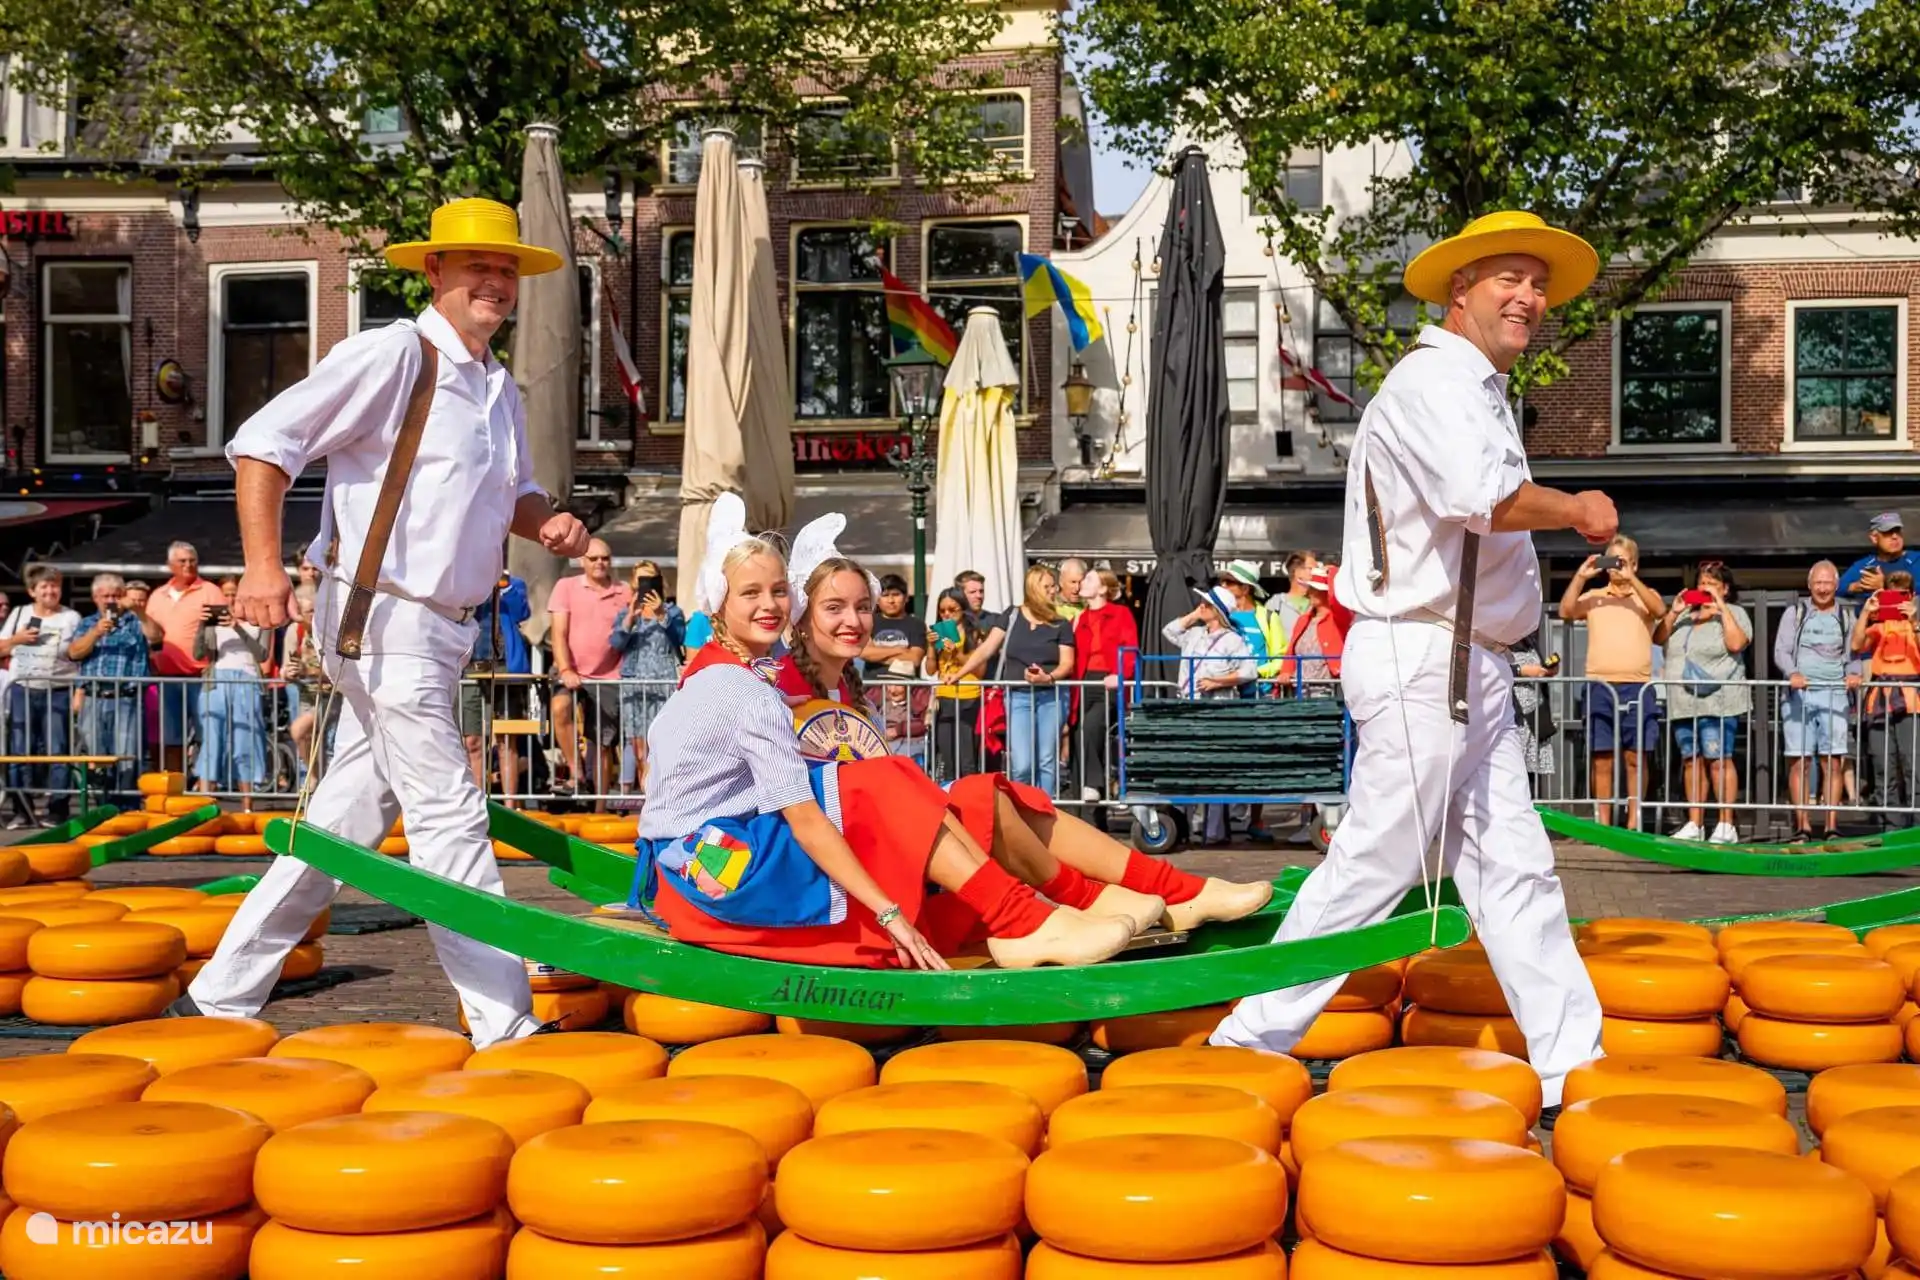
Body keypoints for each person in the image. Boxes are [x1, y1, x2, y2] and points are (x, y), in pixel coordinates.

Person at [1211, 210, 1616, 1112]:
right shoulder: (1437, 380)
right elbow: (1483, 499)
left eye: (1538, 283)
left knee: (1513, 864)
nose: (1529, 298)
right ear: (1459, 290)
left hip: (1465, 660)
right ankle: (1246, 1038)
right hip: (1424, 652)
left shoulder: (1472, 390)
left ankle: (1571, 1063)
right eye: (1509, 279)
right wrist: (1579, 507)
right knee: (1377, 859)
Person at [175, 197, 591, 1044]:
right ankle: (506, 1025)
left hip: (443, 627)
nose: (497, 282)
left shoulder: (498, 386)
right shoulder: (393, 354)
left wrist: (544, 519)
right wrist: (262, 567)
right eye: (478, 266)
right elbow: (263, 443)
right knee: (448, 816)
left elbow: (511, 491)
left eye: (508, 269)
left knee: (345, 819)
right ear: (433, 272)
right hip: (384, 621)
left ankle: (222, 991)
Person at [634, 496, 1136, 970]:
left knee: (948, 792)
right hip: (704, 878)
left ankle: (1039, 909)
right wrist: (888, 913)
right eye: (751, 593)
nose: (770, 605)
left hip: (690, 868)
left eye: (778, 591)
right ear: (719, 603)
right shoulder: (746, 690)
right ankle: (1022, 916)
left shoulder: (728, 676)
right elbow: (806, 818)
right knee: (880, 782)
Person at [774, 513, 1273, 933]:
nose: (856, 620)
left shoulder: (844, 686)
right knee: (977, 796)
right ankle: (1081, 903)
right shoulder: (777, 685)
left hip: (872, 843)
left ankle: (1170, 888)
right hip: (839, 869)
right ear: (801, 616)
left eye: (863, 606)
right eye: (834, 608)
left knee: (1009, 795)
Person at [1560, 534, 1664, 830]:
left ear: (1634, 564)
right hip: (1600, 686)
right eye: (1613, 561)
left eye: (1624, 562)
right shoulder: (1594, 597)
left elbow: (1659, 611)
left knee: (1636, 756)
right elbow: (1566, 612)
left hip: (1637, 686)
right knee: (1601, 757)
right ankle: (1603, 824)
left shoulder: (1644, 596)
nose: (1617, 568)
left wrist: (1632, 580)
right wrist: (1581, 577)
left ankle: (1634, 821)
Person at [947, 566, 1076, 797]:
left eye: (1052, 586)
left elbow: (1067, 663)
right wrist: (958, 674)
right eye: (1046, 587)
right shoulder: (1012, 615)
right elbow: (987, 648)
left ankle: (1045, 808)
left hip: (1051, 696)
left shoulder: (1061, 623)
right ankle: (1022, 806)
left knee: (1046, 760)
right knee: (1021, 763)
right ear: (1033, 589)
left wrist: (1048, 677)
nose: (1052, 591)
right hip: (1018, 695)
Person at [1654, 561, 1751, 844]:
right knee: (1691, 761)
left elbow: (1736, 644)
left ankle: (1725, 824)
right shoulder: (1685, 615)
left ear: (1725, 588)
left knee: (1718, 759)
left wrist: (1720, 608)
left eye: (1712, 584)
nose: (1705, 588)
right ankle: (1695, 823)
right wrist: (1674, 611)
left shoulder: (1735, 613)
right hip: (1683, 701)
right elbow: (1658, 639)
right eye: (1702, 583)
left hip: (1719, 700)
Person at [1163, 585, 1258, 845]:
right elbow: (1169, 630)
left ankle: (1214, 831)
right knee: (1187, 767)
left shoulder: (1232, 640)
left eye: (1205, 604)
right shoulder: (1194, 634)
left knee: (1214, 768)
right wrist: (1194, 615)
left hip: (1218, 710)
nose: (1200, 605)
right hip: (1189, 708)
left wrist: (1219, 681)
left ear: (1217, 611)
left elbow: (1249, 671)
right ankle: (1183, 826)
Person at [1775, 560, 1861, 841]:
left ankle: (1832, 827)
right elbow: (1781, 651)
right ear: (1809, 585)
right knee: (1798, 762)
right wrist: (1793, 672)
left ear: (1836, 585)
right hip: (1800, 696)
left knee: (1833, 761)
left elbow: (1854, 655)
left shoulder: (1847, 616)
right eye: (1818, 583)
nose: (1823, 588)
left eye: (1827, 583)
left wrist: (1854, 675)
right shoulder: (1794, 613)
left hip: (1835, 695)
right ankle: (1803, 826)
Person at [548, 539, 631, 802]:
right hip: (571, 671)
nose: (600, 563)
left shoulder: (624, 591)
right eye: (593, 558)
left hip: (610, 675)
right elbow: (558, 633)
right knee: (560, 708)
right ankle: (576, 774)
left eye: (605, 558)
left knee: (603, 743)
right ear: (582, 561)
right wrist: (565, 668)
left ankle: (600, 806)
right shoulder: (566, 587)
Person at [0, 566, 82, 828]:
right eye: (44, 586)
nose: (50, 591)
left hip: (59, 689)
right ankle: (22, 811)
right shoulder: (19, 614)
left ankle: (57, 810)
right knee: (19, 750)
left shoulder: (72, 617)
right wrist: (18, 638)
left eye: (55, 585)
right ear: (32, 591)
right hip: (23, 688)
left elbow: (81, 653)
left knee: (59, 751)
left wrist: (79, 690)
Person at [67, 572, 159, 804]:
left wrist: (138, 610)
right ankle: (102, 810)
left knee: (127, 759)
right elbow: (74, 653)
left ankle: (126, 812)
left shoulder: (136, 622)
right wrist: (96, 632)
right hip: (93, 697)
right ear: (95, 598)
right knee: (97, 759)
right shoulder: (87, 623)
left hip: (126, 699)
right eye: (105, 595)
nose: (110, 600)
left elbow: (156, 637)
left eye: (115, 595)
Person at [608, 559, 685, 800]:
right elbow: (616, 644)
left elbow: (679, 638)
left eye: (650, 578)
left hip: (664, 685)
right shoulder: (626, 613)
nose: (646, 584)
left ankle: (664, 797)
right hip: (634, 684)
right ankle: (645, 799)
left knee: (663, 745)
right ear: (633, 582)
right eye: (641, 579)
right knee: (639, 746)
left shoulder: (673, 612)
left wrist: (662, 614)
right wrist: (630, 618)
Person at [192, 578, 271, 808]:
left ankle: (247, 804)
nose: (230, 598)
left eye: (234, 593)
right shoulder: (213, 623)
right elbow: (198, 654)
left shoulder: (257, 619)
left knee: (245, 739)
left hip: (246, 679)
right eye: (225, 594)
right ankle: (207, 804)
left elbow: (262, 654)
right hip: (216, 680)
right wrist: (202, 625)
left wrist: (236, 625)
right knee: (212, 738)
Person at [1852, 571, 1920, 829]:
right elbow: (1857, 646)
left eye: (1902, 594)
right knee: (1883, 767)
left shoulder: (1916, 622)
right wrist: (1865, 613)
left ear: (1911, 596)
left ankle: (1916, 832)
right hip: (1880, 699)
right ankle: (1890, 829)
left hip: (1912, 700)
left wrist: (1914, 621)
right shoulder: (1879, 625)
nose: (1896, 600)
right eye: (1892, 594)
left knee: (1915, 767)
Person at [1071, 568, 1139, 802]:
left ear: (1102, 589)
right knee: (1080, 735)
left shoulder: (1120, 614)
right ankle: (1088, 810)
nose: (1082, 582)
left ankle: (1093, 784)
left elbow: (1130, 648)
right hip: (1083, 682)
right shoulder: (1079, 617)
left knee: (1090, 727)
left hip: (1108, 681)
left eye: (1089, 579)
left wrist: (1121, 675)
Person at [925, 587, 984, 785]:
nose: (947, 614)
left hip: (969, 695)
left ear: (963, 609)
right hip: (945, 695)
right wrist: (931, 646)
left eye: (952, 609)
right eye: (942, 611)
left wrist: (956, 651)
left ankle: (971, 802)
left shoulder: (973, 632)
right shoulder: (939, 630)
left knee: (967, 756)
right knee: (948, 754)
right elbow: (931, 669)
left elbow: (980, 670)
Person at [1840, 512, 1920, 597]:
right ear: (1874, 538)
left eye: (1897, 531)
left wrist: (1885, 586)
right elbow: (1835, 588)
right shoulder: (1865, 565)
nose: (1894, 536)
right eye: (1888, 532)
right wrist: (1857, 586)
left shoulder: (1916, 560)